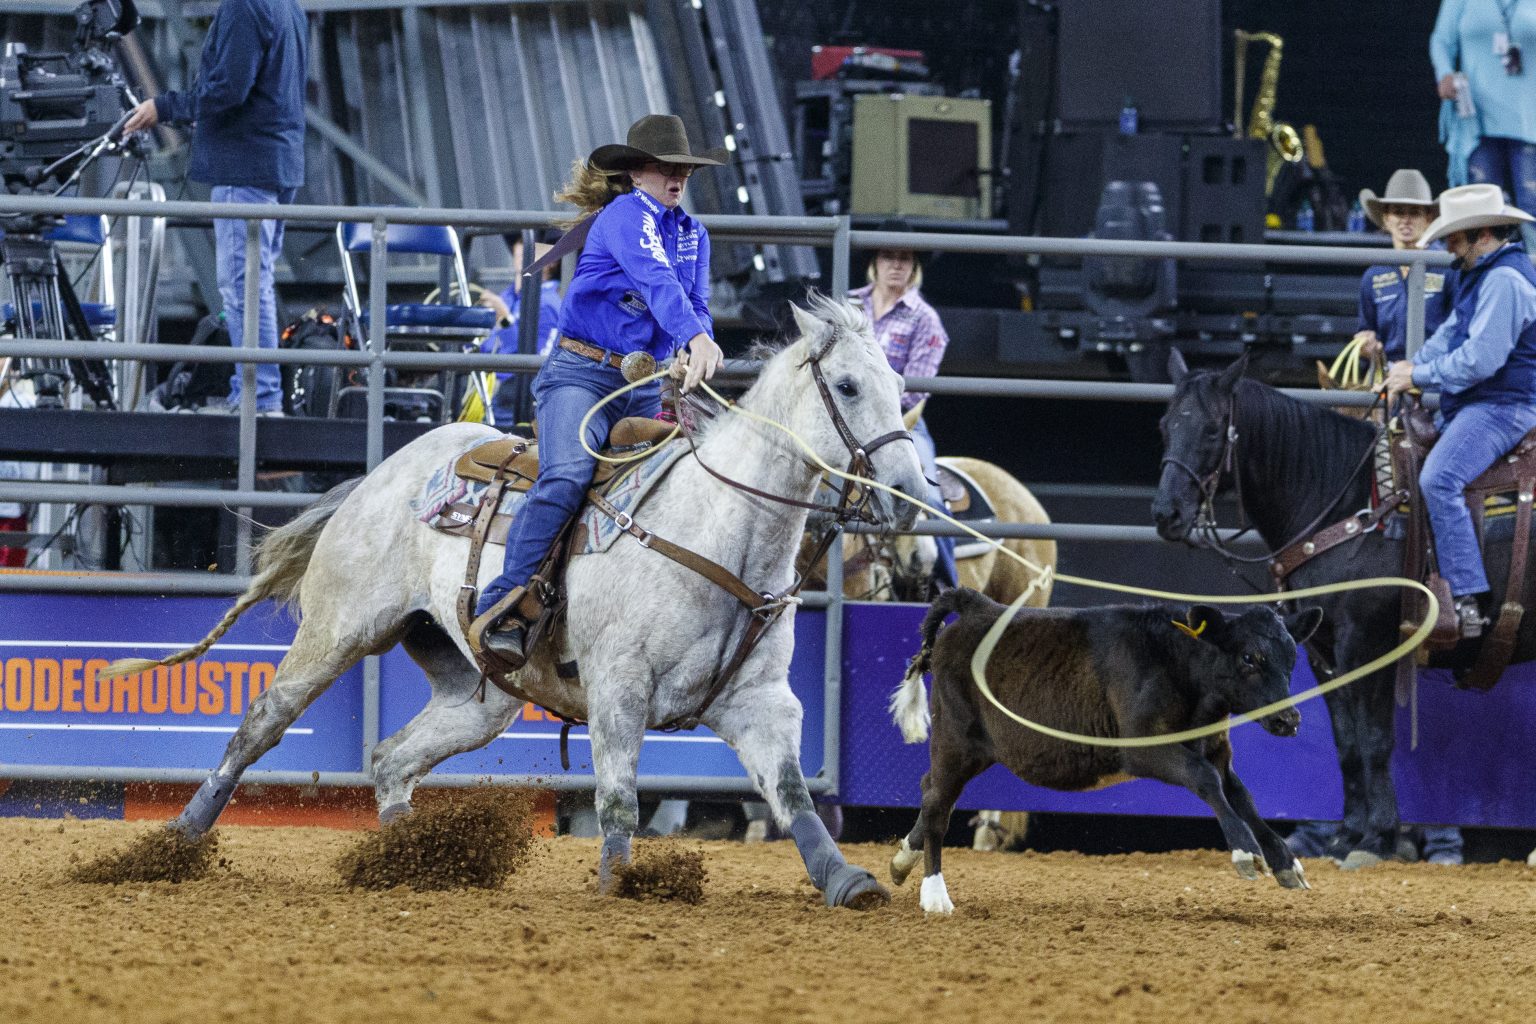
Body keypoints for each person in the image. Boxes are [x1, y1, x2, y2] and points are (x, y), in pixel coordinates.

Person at [468, 114, 726, 668]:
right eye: (664, 168)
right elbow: (657, 282)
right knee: (565, 475)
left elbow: (695, 300)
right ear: (636, 173)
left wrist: (694, 344)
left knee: (665, 490)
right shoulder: (624, 219)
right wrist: (697, 338)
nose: (676, 177)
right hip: (580, 375)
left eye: (682, 168)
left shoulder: (693, 234)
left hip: (643, 384)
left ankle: (605, 621)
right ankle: (504, 607)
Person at [122, 0, 308, 416]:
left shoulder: (245, 6)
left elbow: (228, 89)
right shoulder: (287, 6)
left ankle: (259, 400)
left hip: (247, 169)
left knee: (243, 288)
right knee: (251, 286)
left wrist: (164, 108)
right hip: (275, 164)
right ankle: (254, 395)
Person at [1385, 183, 1536, 639]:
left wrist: (1419, 376)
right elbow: (1449, 336)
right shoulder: (1478, 273)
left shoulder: (1504, 281)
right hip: (1481, 402)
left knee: (1439, 478)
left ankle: (1469, 597)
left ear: (1483, 233)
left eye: (1455, 235)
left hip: (1503, 406)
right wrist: (1411, 366)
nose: (1448, 244)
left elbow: (1480, 360)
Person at [849, 226, 956, 590]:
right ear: (874, 263)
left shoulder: (926, 320)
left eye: (905, 258)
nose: (896, 265)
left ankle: (946, 585)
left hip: (902, 424)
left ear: (914, 267)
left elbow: (915, 392)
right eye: (888, 257)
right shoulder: (849, 305)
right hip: (844, 418)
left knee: (932, 498)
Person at [1432, 0, 1536, 251]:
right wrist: (1444, 73)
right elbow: (1441, 40)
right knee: (1481, 211)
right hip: (1477, 119)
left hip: (1529, 118)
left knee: (1533, 207)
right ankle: (1483, 278)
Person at [1354, 170, 1454, 365]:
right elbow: (1366, 330)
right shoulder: (1374, 275)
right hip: (1388, 379)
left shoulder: (1448, 267)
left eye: (1415, 212)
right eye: (1398, 211)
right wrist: (1365, 346)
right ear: (1386, 219)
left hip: (1436, 375)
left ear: (1429, 218)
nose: (1406, 219)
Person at [478, 233, 563, 427]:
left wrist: (504, 320)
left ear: (553, 262)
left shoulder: (548, 304)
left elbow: (532, 361)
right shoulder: (508, 296)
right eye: (520, 242)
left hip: (511, 399)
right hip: (487, 387)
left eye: (532, 245)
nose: (521, 248)